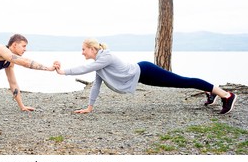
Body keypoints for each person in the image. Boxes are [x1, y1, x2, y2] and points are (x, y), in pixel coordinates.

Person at [54, 38, 237, 115]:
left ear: (93, 49)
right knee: (179, 83)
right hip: (142, 75)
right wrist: (89, 107)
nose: (82, 52)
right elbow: (96, 85)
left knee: (182, 81)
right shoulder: (100, 65)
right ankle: (210, 91)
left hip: (146, 71)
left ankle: (227, 96)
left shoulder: (105, 57)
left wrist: (63, 72)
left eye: (83, 49)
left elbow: (83, 69)